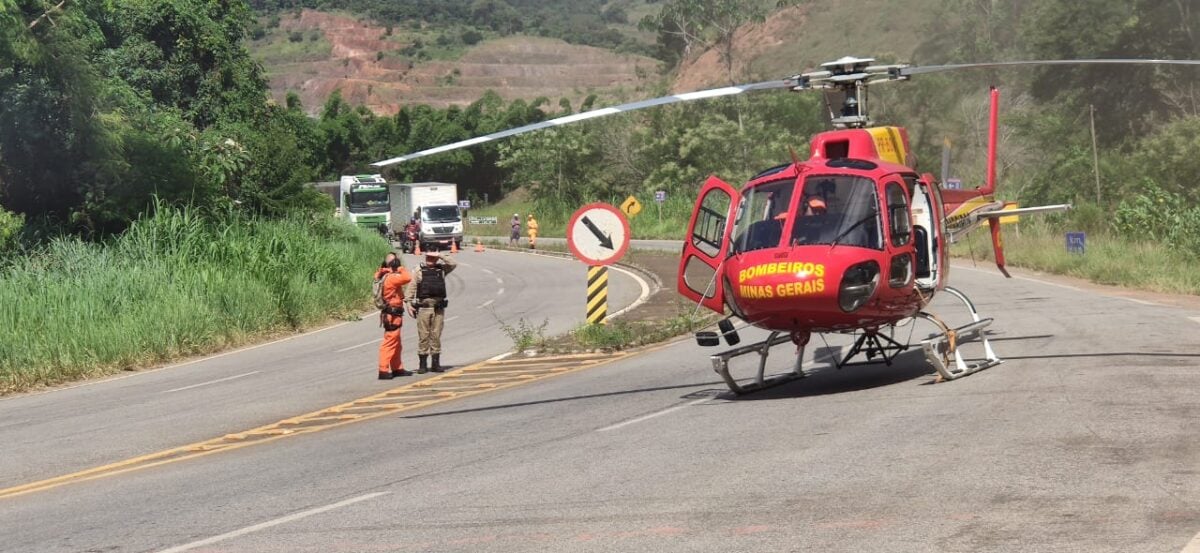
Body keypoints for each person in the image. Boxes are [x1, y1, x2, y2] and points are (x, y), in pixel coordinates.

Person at [405, 250, 457, 373]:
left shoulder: (441, 270)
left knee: (436, 335)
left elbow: (453, 263)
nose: (430, 259)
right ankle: (422, 364)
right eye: (428, 257)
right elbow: (412, 286)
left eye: (432, 258)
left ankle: (435, 363)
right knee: (423, 336)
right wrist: (408, 303)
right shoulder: (419, 270)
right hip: (424, 308)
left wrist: (439, 255)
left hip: (438, 308)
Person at [377, 255, 413, 380]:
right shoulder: (391, 278)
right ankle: (383, 370)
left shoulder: (383, 275)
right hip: (392, 314)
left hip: (392, 313)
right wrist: (400, 268)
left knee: (396, 343)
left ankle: (397, 368)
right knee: (390, 342)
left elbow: (378, 273)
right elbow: (408, 278)